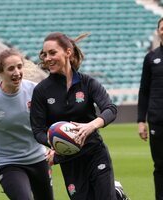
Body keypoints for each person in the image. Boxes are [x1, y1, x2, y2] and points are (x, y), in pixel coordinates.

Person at [30, 32, 118, 200]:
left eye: (52, 52)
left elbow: (110, 109)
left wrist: (91, 125)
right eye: (45, 54)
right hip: (67, 159)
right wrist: (57, 140)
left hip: (95, 153)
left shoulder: (87, 83)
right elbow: (37, 130)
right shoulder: (41, 91)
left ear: (68, 52)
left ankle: (115, 194)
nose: (47, 58)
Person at [0, 48, 54, 200]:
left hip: (39, 160)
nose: (16, 72)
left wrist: (53, 146)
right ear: (0, 72)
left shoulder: (35, 91)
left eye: (19, 66)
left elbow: (49, 121)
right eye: (11, 68)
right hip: (9, 164)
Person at [138, 17, 163, 200]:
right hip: (157, 119)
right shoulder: (151, 57)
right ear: (158, 31)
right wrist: (141, 121)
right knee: (160, 165)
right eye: (162, 28)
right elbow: (144, 91)